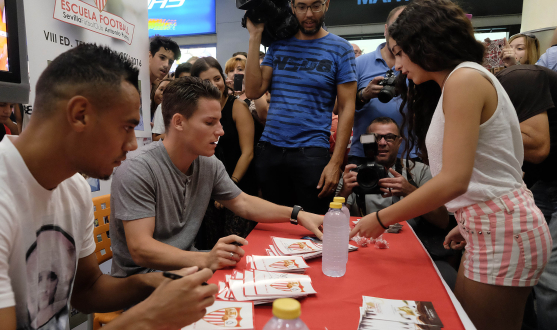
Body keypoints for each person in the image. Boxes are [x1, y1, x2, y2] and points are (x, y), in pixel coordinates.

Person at [349, 1, 552, 330]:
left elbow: (455, 179)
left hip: (502, 231)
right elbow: (493, 168)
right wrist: (468, 217)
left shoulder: (464, 80)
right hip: (490, 225)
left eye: (400, 53)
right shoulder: (458, 81)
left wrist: (382, 217)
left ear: (424, 45)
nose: (397, 65)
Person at [0, 44, 217, 330]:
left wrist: (154, 281)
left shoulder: (74, 189)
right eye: (127, 127)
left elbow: (88, 290)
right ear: (80, 114)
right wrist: (147, 316)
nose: (131, 146)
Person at [109, 76, 323, 279]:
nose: (220, 131)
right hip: (141, 282)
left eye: (219, 121)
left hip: (190, 268)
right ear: (179, 122)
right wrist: (206, 258)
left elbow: (242, 202)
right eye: (210, 122)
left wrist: (297, 214)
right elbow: (141, 249)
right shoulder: (138, 169)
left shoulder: (207, 163)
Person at [244, 0, 357, 215]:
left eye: (315, 6)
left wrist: (336, 163)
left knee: (313, 230)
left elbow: (346, 107)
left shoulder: (341, 49)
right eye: (302, 7)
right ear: (292, 7)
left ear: (327, 4)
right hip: (270, 151)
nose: (308, 14)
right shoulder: (278, 45)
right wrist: (254, 36)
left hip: (312, 154)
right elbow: (253, 91)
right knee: (272, 228)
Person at [337, 117, 456, 288]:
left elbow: (443, 221)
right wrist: (345, 192)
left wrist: (410, 191)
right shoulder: (353, 173)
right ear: (367, 141)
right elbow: (333, 219)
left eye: (390, 137)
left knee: (447, 276)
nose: (382, 142)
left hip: (410, 251)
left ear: (400, 142)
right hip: (363, 249)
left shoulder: (419, 171)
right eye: (375, 137)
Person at [496, 65, 557, 330]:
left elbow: (537, 147)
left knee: (550, 279)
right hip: (541, 183)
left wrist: (478, 124)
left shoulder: (520, 79)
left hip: (548, 180)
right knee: (524, 270)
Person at [190, 57, 259, 248]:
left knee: (236, 248)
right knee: (211, 247)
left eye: (217, 78)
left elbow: (248, 153)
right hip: (207, 190)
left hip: (238, 185)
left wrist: (229, 186)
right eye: (206, 81)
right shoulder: (195, 111)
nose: (214, 85)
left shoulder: (237, 107)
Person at [351, 5, 417, 165]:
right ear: (386, 29)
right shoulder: (359, 63)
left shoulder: (419, 64)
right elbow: (338, 107)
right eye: (396, 26)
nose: (401, 32)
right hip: (364, 150)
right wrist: (363, 95)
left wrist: (412, 96)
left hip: (409, 152)